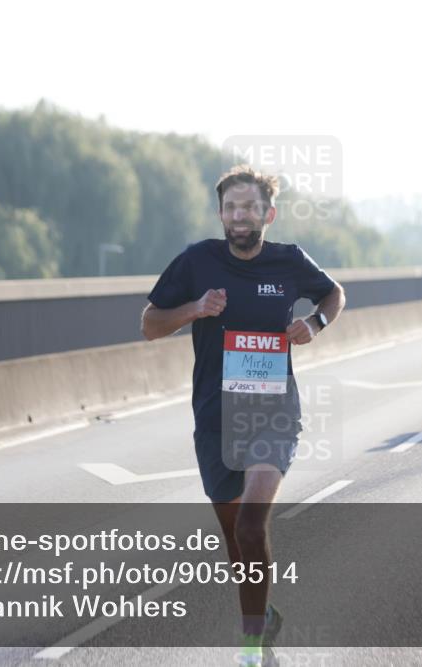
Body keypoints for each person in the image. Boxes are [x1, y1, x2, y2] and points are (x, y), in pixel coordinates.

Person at [141, 165, 346, 666]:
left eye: (249, 207)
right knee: (237, 542)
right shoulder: (197, 262)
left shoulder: (288, 261)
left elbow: (334, 293)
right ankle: (264, 613)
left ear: (268, 214)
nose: (239, 216)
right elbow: (148, 324)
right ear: (221, 214)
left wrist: (315, 322)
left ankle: (251, 648)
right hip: (215, 417)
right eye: (231, 208)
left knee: (253, 526)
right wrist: (195, 308)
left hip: (274, 411)